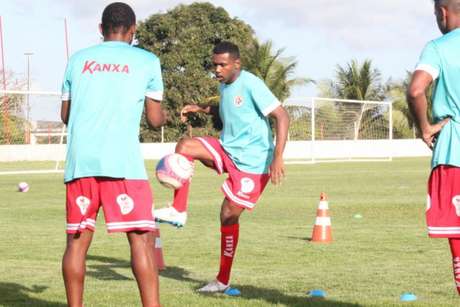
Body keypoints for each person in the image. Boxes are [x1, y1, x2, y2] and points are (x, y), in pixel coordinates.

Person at [154, 41, 290, 292]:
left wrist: (278, 157)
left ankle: (222, 280)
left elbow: (282, 115)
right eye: (214, 64)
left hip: (253, 163)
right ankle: (178, 209)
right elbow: (226, 109)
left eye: (222, 65)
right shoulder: (225, 85)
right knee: (185, 145)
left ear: (236, 64)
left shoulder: (251, 83)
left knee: (228, 215)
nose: (216, 69)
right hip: (227, 149)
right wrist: (200, 108)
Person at [60, 2, 166, 306]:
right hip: (124, 165)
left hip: (81, 162)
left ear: (100, 29)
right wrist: (169, 116)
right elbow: (155, 119)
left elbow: (66, 114)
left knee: (77, 244)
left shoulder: (77, 59)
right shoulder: (147, 60)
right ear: (133, 30)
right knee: (142, 241)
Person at [408, 0, 460, 295]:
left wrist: (425, 127)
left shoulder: (439, 47)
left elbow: (416, 90)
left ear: (442, 13)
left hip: (455, 154)